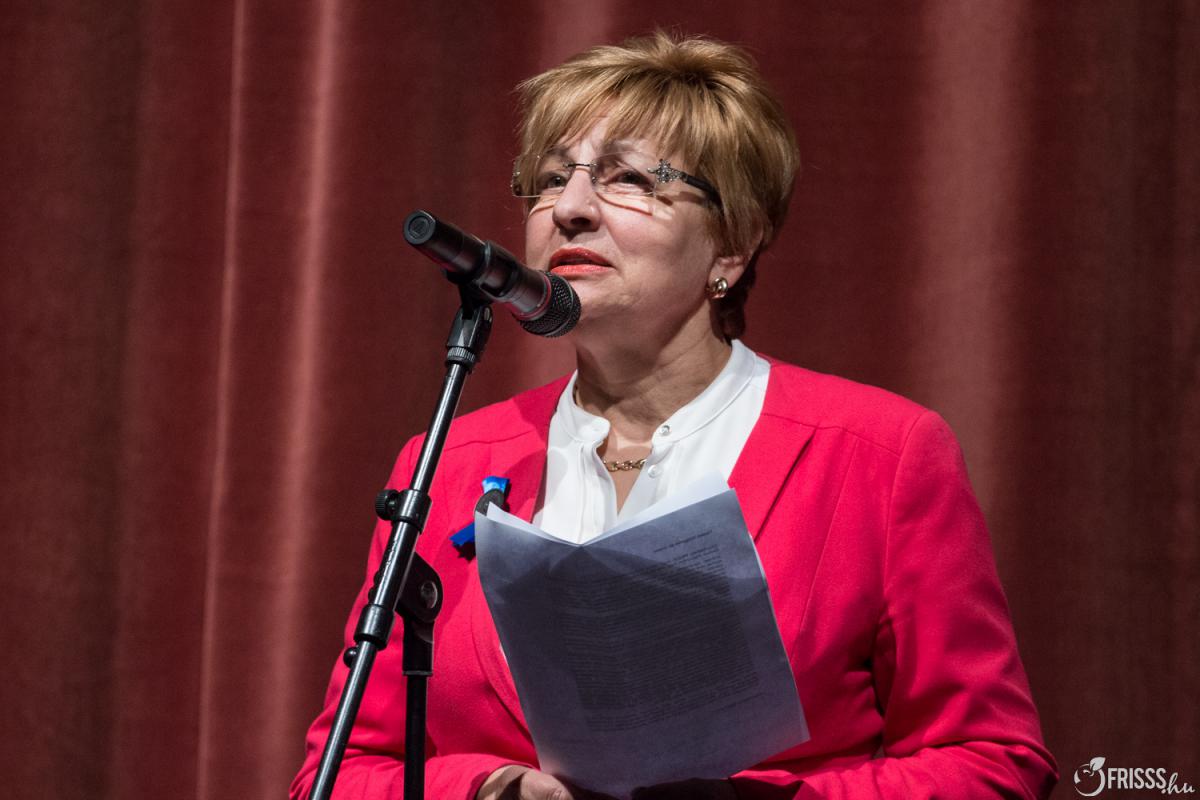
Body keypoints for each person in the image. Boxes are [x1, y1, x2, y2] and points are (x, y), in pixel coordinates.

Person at [291, 32, 1057, 800]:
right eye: (551, 179)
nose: (571, 209)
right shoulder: (447, 461)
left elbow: (996, 762)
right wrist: (487, 791)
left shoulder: (881, 455)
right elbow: (341, 774)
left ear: (732, 245)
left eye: (628, 178)